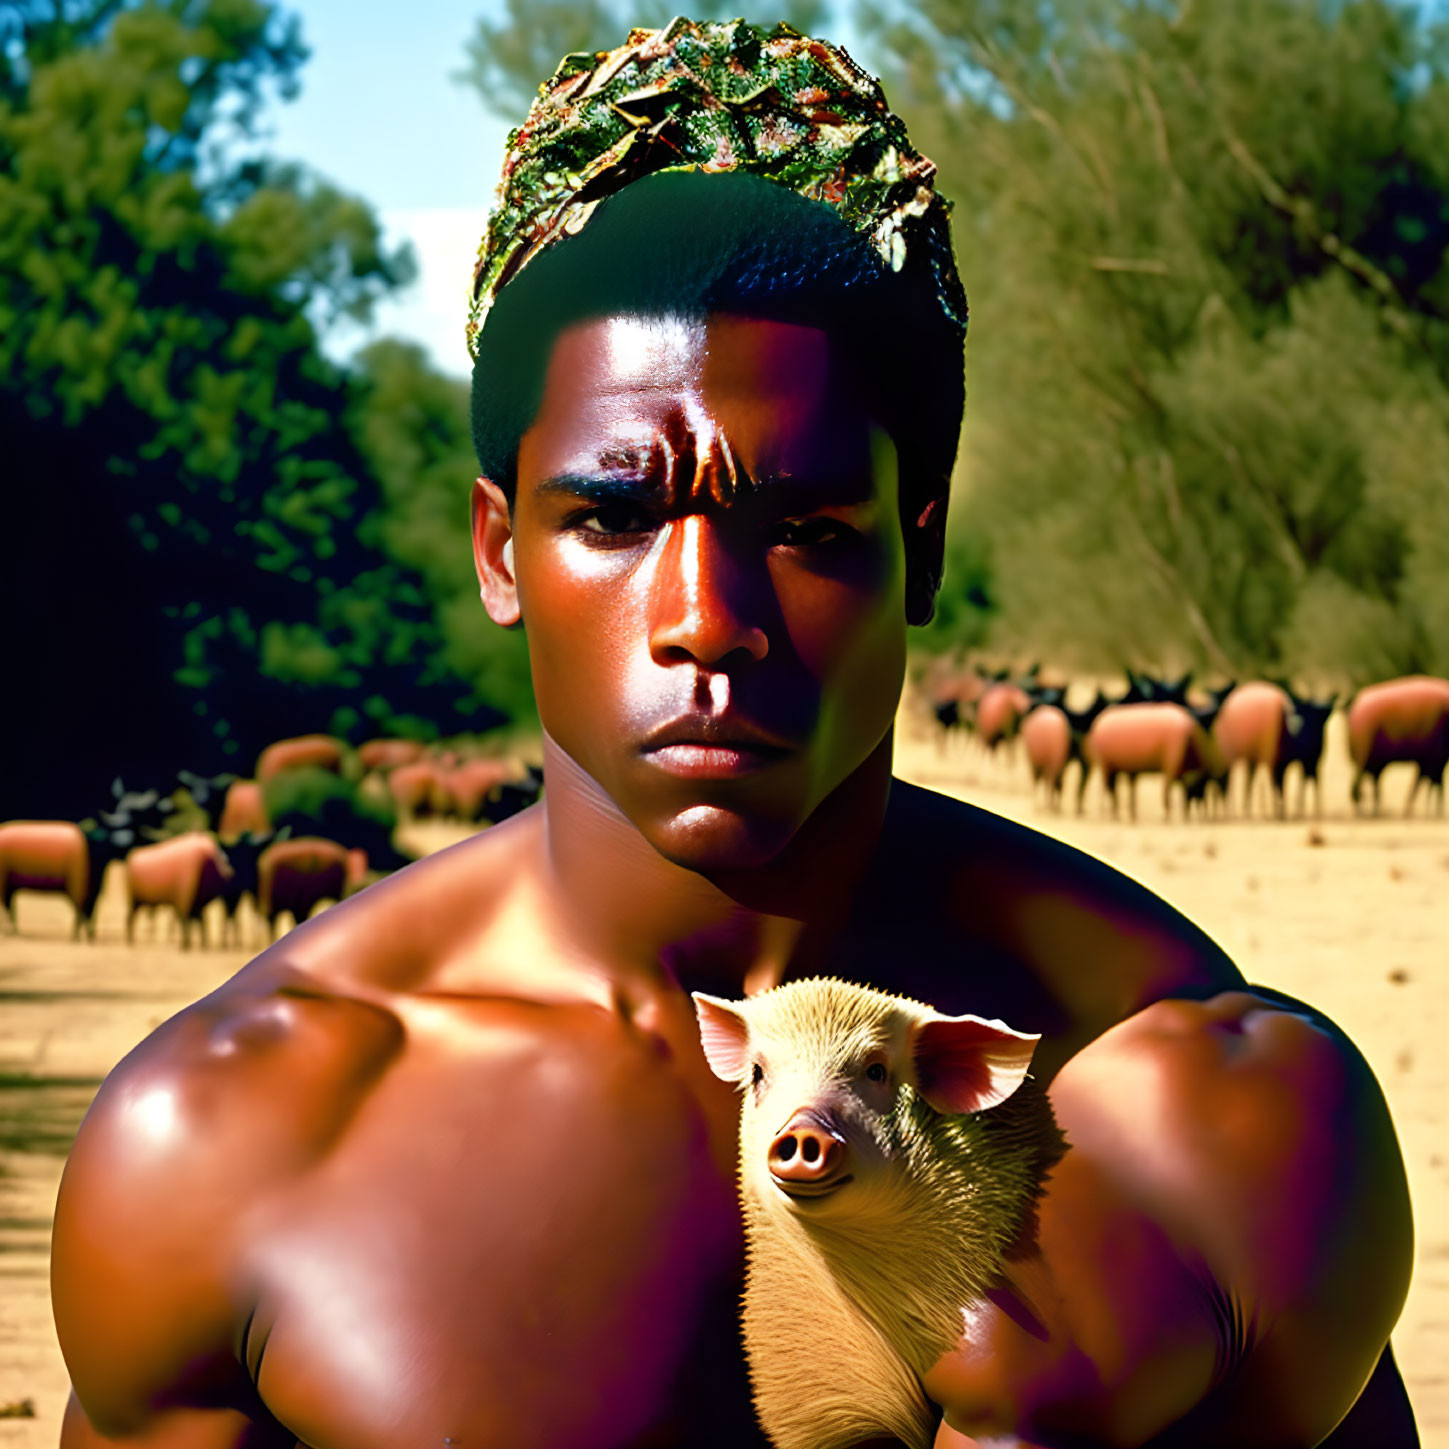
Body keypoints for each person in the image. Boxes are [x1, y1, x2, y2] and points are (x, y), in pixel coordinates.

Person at [51, 19, 1415, 1448]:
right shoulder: (229, 1140)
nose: (709, 618)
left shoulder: (1200, 1106)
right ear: (500, 548)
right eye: (615, 515)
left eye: (808, 528)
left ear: (919, 547)